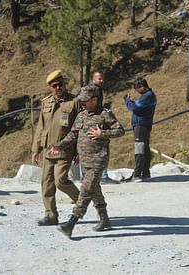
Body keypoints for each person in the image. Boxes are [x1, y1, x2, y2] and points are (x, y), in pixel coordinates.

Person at [50, 84, 125, 238]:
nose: (82, 103)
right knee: (94, 189)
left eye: (85, 100)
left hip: (98, 160)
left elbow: (120, 130)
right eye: (81, 100)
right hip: (85, 161)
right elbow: (72, 135)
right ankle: (105, 220)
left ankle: (71, 223)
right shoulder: (81, 115)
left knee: (85, 191)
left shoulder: (105, 114)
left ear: (95, 100)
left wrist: (102, 133)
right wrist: (59, 145)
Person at [32, 70, 81, 226]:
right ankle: (51, 215)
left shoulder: (74, 102)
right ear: (50, 87)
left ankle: (81, 201)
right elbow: (40, 127)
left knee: (60, 181)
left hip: (64, 149)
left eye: (61, 84)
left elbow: (79, 127)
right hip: (47, 150)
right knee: (46, 183)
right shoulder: (46, 102)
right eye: (55, 85)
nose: (59, 88)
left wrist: (78, 151)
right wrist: (36, 149)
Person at [124, 77, 157, 182]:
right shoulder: (148, 96)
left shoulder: (147, 96)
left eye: (137, 89)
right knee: (145, 148)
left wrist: (128, 101)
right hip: (144, 124)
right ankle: (145, 172)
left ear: (141, 87)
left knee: (140, 148)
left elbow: (135, 108)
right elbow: (138, 106)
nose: (137, 92)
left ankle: (138, 173)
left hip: (141, 125)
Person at [91, 71, 118, 184]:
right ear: (93, 79)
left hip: (98, 120)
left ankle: (101, 175)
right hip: (93, 122)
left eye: (102, 79)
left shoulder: (98, 90)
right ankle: (102, 176)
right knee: (97, 149)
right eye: (99, 79)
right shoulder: (91, 90)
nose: (101, 81)